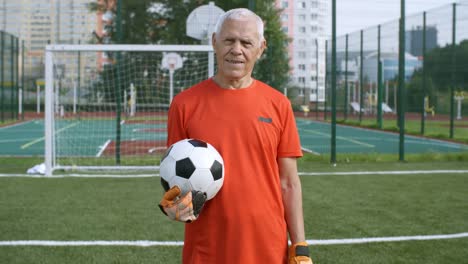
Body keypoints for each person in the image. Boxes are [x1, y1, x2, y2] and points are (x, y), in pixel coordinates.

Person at [159, 8, 313, 264]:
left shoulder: (279, 104)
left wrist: (300, 245)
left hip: (268, 247)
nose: (236, 49)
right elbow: (178, 178)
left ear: (261, 48)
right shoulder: (184, 104)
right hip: (207, 250)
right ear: (214, 42)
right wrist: (175, 205)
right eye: (229, 40)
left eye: (246, 42)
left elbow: (289, 183)